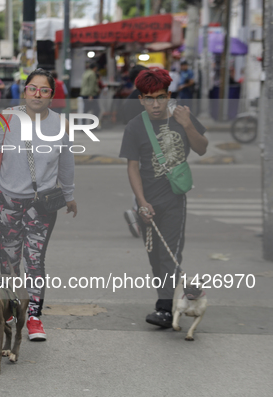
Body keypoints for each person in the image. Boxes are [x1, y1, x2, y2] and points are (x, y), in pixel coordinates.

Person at [0, 69, 77, 342]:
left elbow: (66, 164)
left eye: (44, 90)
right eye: (32, 88)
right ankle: (10, 311)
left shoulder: (61, 124)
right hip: (7, 200)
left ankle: (34, 316)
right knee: (9, 261)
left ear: (52, 95)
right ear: (24, 91)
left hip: (42, 204)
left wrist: (69, 195)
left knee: (34, 261)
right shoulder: (7, 118)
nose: (37, 94)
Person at [119, 69, 208, 328]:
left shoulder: (182, 117)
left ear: (169, 95)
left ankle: (165, 309)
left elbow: (202, 148)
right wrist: (141, 202)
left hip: (174, 200)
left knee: (170, 255)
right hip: (147, 203)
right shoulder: (135, 126)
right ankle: (173, 299)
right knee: (155, 257)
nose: (155, 104)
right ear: (140, 99)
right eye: (148, 98)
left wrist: (188, 124)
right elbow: (132, 167)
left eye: (160, 97)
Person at [120, 64, 149, 238]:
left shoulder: (130, 100)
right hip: (148, 147)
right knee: (147, 183)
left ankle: (137, 212)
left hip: (135, 147)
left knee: (138, 181)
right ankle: (139, 215)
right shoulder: (148, 98)